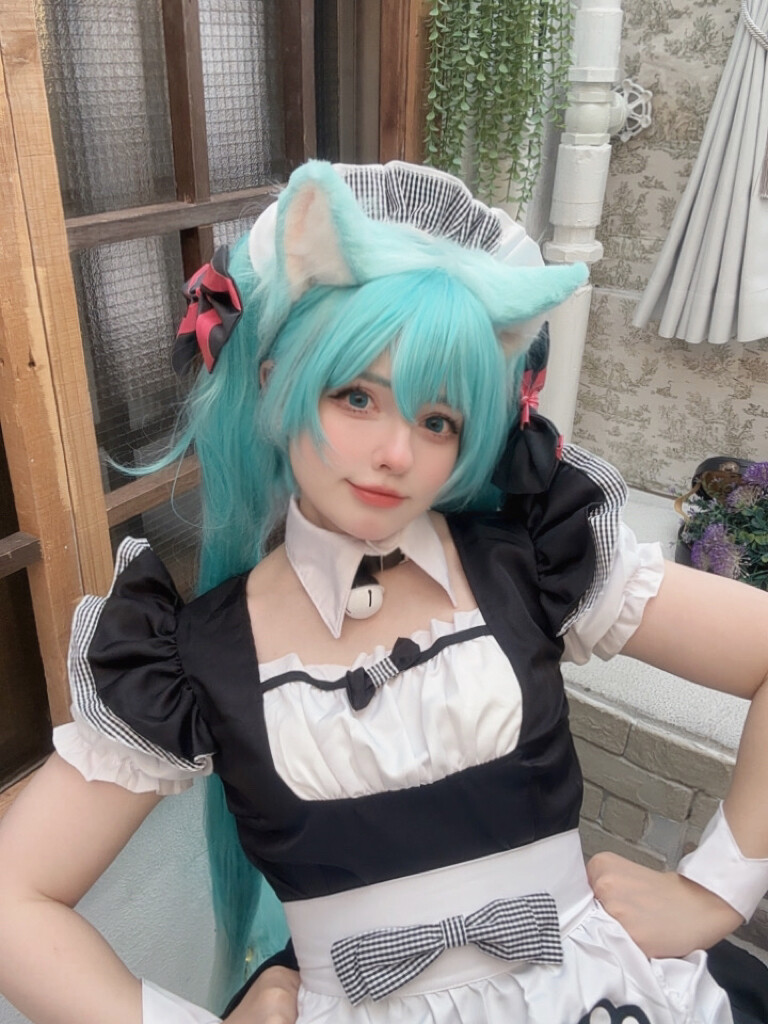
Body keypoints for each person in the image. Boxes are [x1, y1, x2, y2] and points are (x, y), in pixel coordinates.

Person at [0, 159, 767, 1024]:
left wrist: (717, 890)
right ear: (274, 381)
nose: (397, 453)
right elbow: (13, 900)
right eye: (357, 397)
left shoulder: (532, 561)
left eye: (437, 419)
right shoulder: (193, 657)